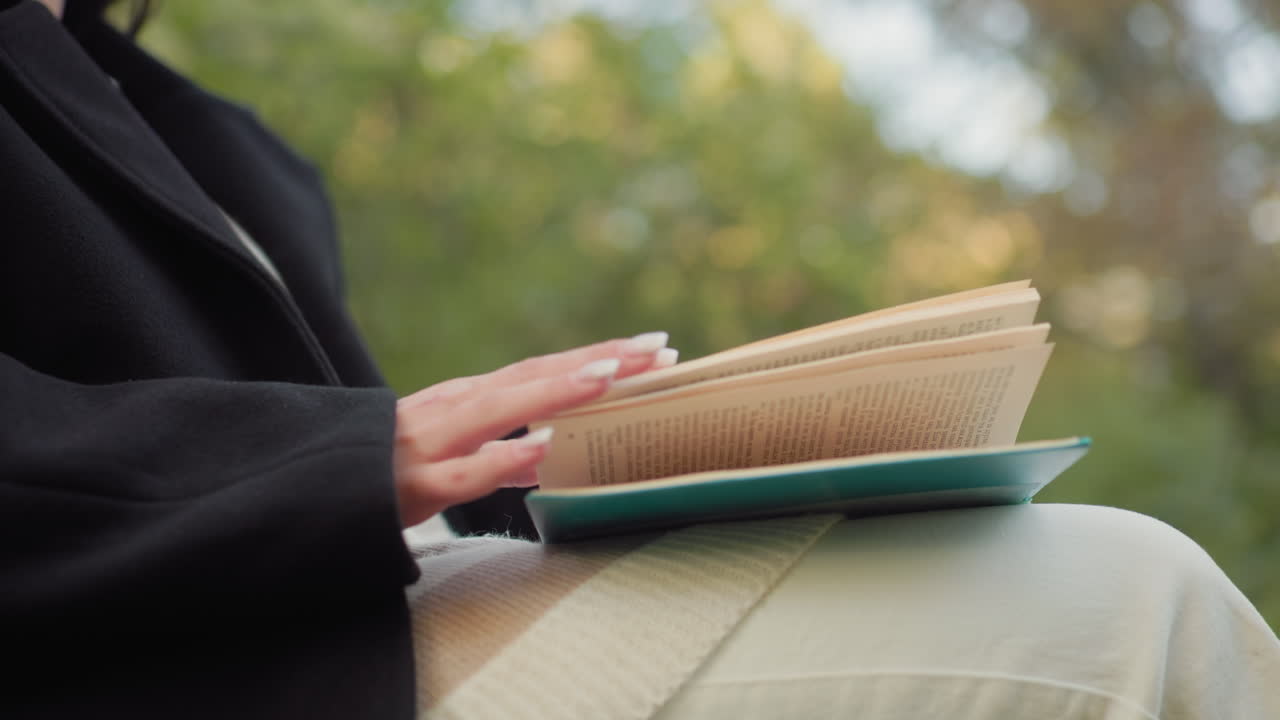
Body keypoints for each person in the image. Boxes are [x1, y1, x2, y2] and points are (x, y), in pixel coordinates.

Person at [2, 1, 1277, 718]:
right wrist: (354, 457)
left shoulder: (198, 129)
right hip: (232, 677)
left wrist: (564, 453)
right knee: (1127, 601)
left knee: (1054, 565)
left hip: (397, 604)